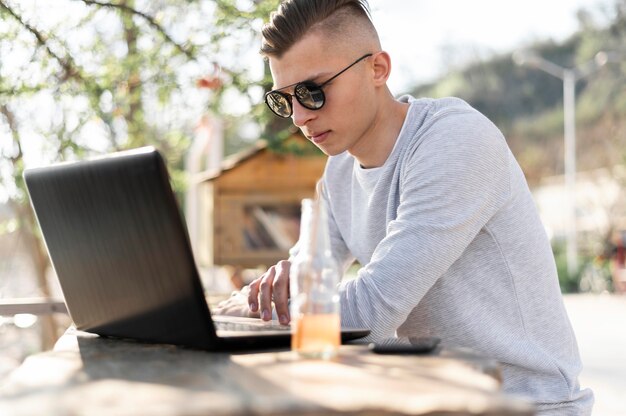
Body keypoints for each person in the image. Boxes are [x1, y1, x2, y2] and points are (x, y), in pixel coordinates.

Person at [214, 0, 594, 413]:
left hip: (524, 404)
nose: (300, 118)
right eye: (285, 101)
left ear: (378, 68)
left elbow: (371, 311)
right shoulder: (339, 171)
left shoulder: (454, 141)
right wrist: (252, 302)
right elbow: (306, 280)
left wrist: (270, 312)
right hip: (425, 398)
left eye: (313, 91)